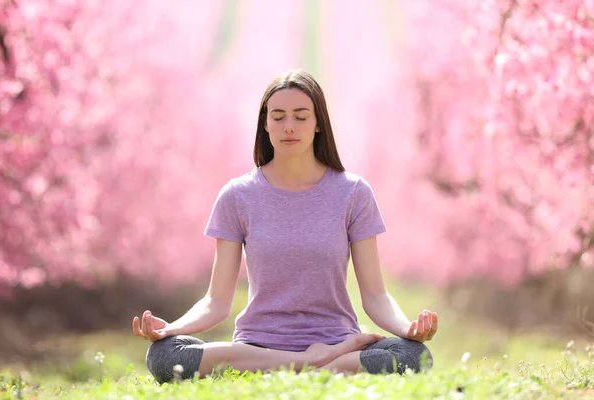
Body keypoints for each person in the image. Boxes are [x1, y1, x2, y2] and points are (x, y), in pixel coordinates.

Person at [132, 69, 438, 384]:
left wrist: (407, 329)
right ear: (265, 124)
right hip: (257, 346)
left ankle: (300, 367)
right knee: (165, 355)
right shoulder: (238, 195)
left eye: (301, 116)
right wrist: (172, 329)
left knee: (413, 355)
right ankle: (312, 364)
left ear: (319, 124)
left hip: (335, 342)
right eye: (278, 117)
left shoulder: (354, 193)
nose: (288, 126)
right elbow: (217, 301)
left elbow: (375, 295)